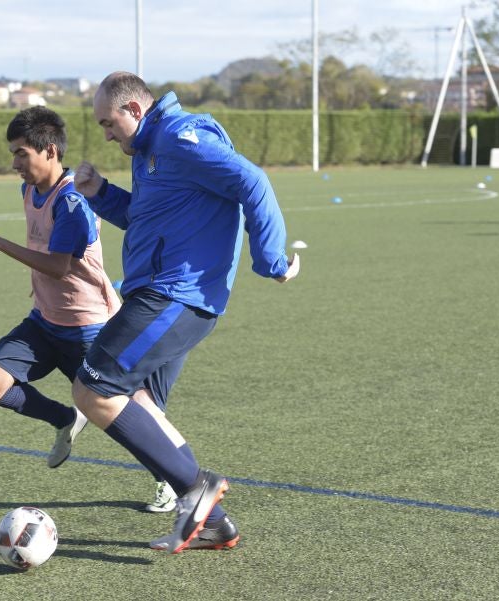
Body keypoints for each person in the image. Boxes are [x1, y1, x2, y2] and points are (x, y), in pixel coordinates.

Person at [70, 72, 300, 554]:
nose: (106, 135)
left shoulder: (177, 138)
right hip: (162, 295)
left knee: (93, 388)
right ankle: (211, 521)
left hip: (174, 296)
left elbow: (252, 181)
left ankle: (197, 488)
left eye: (108, 123)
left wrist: (272, 261)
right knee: (141, 405)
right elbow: (149, 217)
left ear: (134, 110)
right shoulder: (154, 149)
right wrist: (100, 192)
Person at [0, 108, 179, 512]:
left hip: (90, 327)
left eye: (21, 153)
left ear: (50, 151)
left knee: (129, 413)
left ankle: (171, 477)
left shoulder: (72, 201)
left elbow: (58, 267)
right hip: (45, 320)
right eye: (13, 153)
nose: (15, 163)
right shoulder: (30, 189)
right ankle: (63, 418)